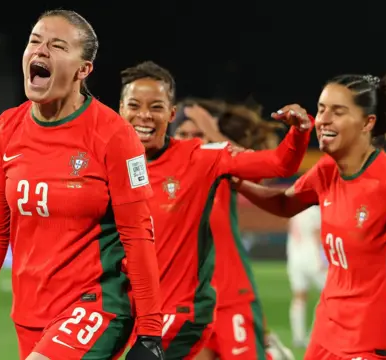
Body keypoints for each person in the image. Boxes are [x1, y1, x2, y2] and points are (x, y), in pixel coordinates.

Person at [0, 10, 164, 360]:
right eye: (34, 41)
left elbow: (138, 233)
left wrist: (150, 331)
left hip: (97, 305)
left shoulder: (115, 136)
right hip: (30, 313)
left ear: (83, 69)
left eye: (57, 45)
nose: (40, 51)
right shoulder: (6, 130)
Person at [233, 71, 386, 360]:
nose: (324, 119)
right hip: (327, 331)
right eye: (321, 109)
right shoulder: (326, 171)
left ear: (368, 122)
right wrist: (237, 182)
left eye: (338, 112)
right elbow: (284, 205)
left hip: (374, 341)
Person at [118, 61, 313, 359]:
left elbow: (277, 164)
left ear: (169, 114)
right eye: (134, 105)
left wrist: (299, 133)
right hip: (138, 312)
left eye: (155, 106)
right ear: (120, 109)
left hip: (193, 308)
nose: (144, 115)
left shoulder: (202, 161)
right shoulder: (110, 164)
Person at [173, 100, 294, 360]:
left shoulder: (219, 170)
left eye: (198, 135)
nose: (191, 141)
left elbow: (258, 169)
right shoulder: (160, 180)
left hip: (232, 299)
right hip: (189, 305)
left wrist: (212, 131)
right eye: (183, 134)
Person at [286, 205, 325, 348]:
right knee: (328, 296)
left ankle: (298, 337)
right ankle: (314, 335)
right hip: (313, 259)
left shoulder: (294, 211)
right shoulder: (314, 211)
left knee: (299, 297)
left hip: (295, 258)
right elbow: (317, 235)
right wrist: (323, 258)